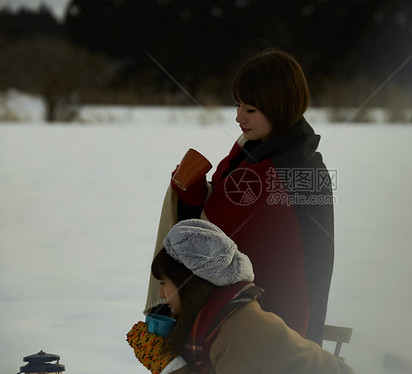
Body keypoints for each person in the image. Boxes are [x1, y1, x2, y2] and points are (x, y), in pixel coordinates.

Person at [145, 49, 335, 345]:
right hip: (253, 317)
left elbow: (206, 238)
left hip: (274, 325)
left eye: (250, 110)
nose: (238, 117)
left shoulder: (283, 170)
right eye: (238, 105)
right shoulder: (265, 152)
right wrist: (198, 191)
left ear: (279, 108)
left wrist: (191, 194)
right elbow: (224, 211)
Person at [128, 219, 352, 374]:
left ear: (191, 285)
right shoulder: (218, 324)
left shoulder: (238, 335)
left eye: (164, 283)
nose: (160, 293)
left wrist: (170, 365)